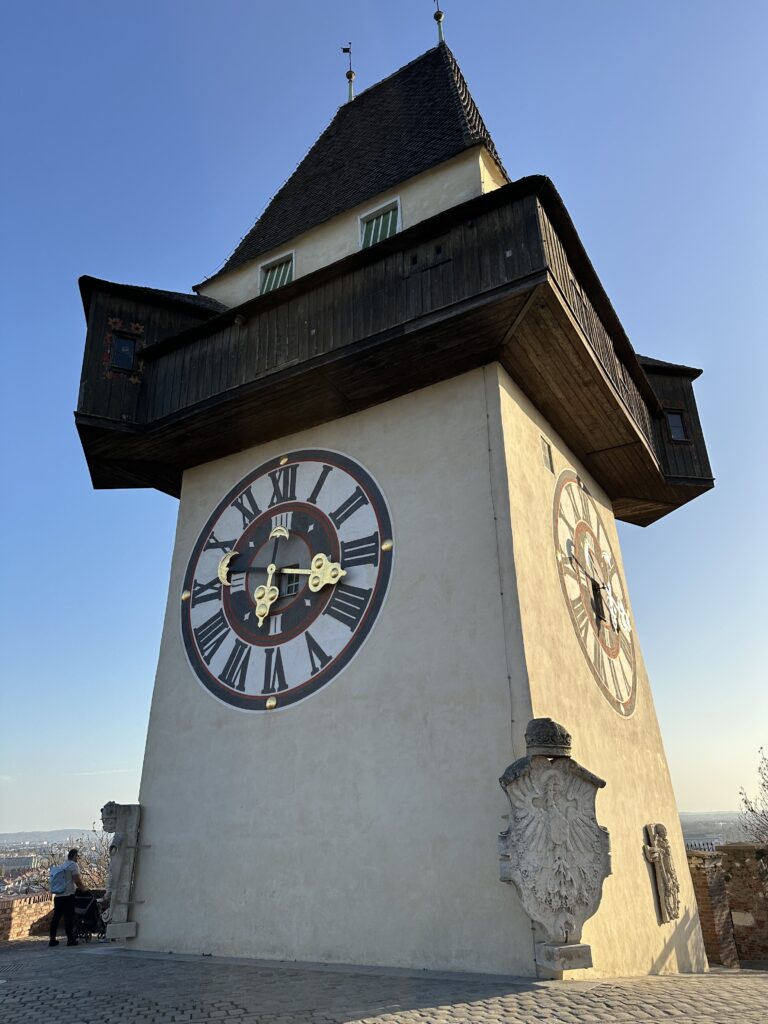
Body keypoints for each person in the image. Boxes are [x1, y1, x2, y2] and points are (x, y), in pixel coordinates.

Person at [49, 848, 85, 947]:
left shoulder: (63, 865)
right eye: (78, 857)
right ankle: (70, 939)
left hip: (58, 896)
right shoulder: (73, 865)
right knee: (69, 917)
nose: (78, 859)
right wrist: (84, 890)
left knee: (56, 917)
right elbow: (77, 880)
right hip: (68, 895)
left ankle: (52, 939)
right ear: (75, 856)